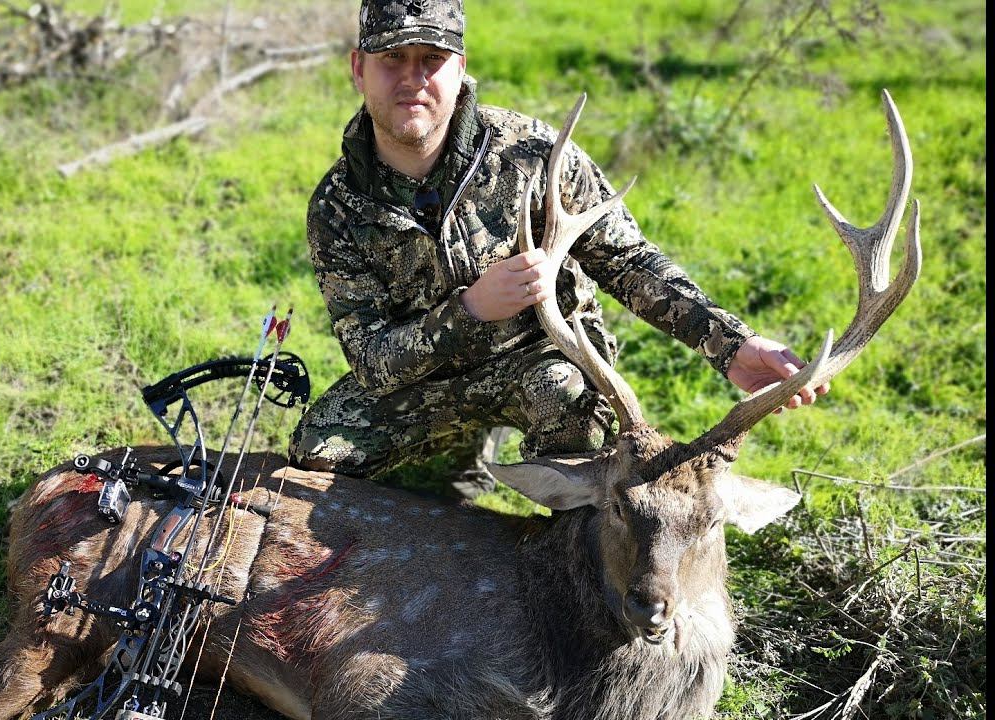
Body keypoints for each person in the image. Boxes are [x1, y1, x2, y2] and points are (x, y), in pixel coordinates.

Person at [287, 0, 825, 497]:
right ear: (358, 68)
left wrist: (732, 345)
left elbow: (628, 262)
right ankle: (462, 455)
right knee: (317, 452)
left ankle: (570, 551)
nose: (413, 78)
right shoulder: (336, 207)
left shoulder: (533, 153)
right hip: (429, 380)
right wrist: (471, 309)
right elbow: (372, 361)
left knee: (570, 407)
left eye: (432, 59)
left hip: (543, 358)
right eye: (392, 58)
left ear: (460, 68)